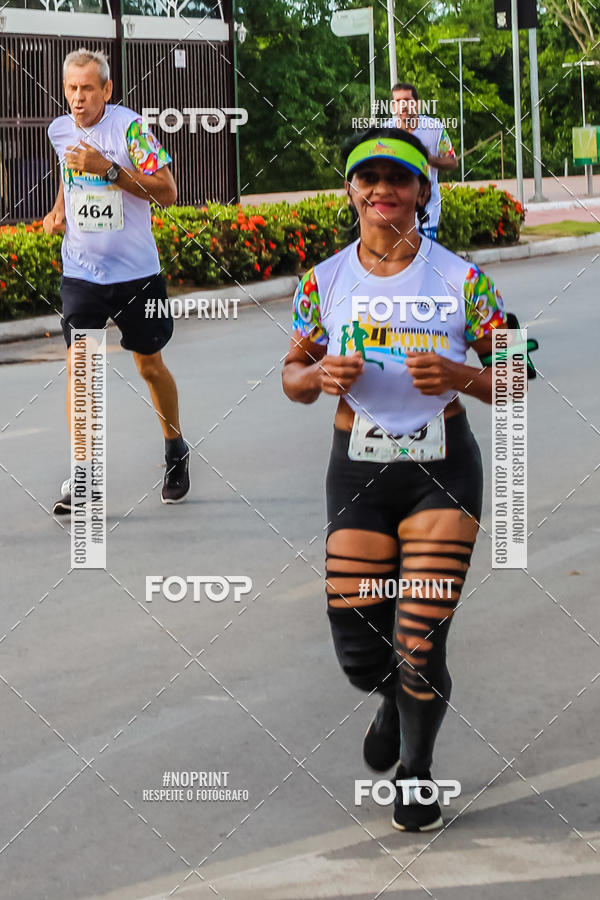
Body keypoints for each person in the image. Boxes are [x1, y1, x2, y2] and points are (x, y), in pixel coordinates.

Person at [282, 127, 509, 832]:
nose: (383, 190)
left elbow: (518, 374)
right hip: (358, 471)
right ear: (350, 190)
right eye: (368, 178)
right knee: (359, 646)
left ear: (422, 192)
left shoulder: (464, 281)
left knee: (419, 639)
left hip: (442, 471)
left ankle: (416, 772)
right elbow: (291, 376)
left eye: (399, 180)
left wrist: (462, 376)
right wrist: (318, 376)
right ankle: (391, 695)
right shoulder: (323, 282)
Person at [43, 48, 190, 514]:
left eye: (88, 88)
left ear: (107, 89)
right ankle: (83, 477)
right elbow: (70, 174)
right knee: (80, 366)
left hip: (136, 275)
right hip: (82, 272)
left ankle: (174, 446)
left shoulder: (130, 129)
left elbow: (168, 191)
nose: (78, 98)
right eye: (71, 88)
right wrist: (59, 210)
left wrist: (108, 170)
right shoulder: (59, 130)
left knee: (149, 366)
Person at [387, 82, 458, 241]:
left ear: (417, 104)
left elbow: (453, 162)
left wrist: (428, 158)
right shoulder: (386, 132)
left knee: (423, 262)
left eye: (407, 100)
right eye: (398, 101)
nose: (403, 106)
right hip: (394, 216)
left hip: (426, 214)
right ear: (393, 106)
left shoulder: (434, 128)